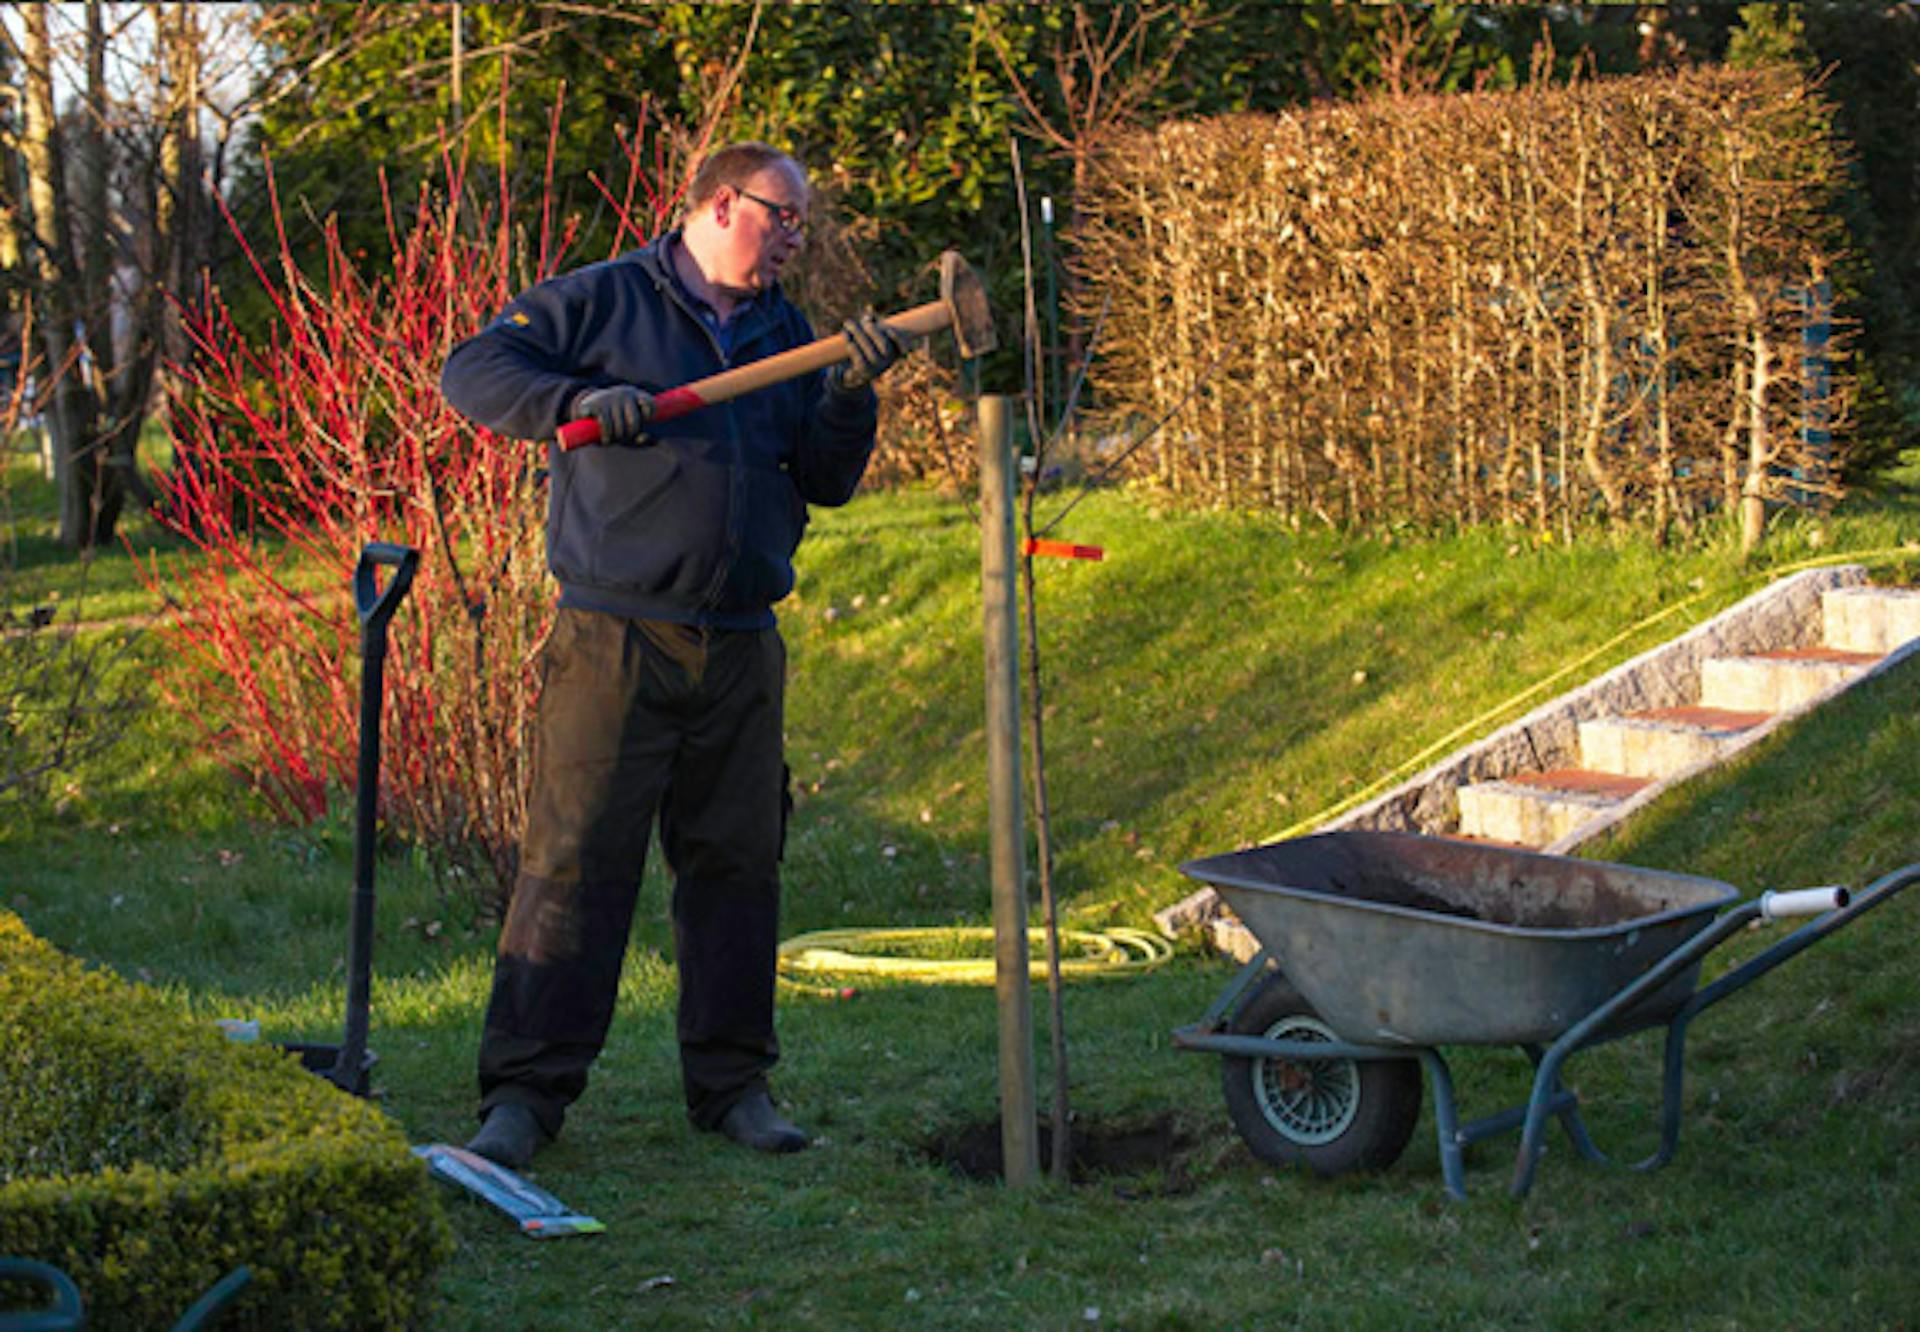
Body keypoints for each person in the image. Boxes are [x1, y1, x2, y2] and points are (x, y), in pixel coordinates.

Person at [439, 141, 904, 1167]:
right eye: (783, 216)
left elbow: (823, 482)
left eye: (803, 223)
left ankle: (734, 1087)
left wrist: (849, 395)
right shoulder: (606, 301)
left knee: (738, 867)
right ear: (719, 203)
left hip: (740, 644)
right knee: (573, 864)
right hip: (613, 637)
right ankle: (524, 1095)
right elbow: (471, 371)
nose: (796, 237)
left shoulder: (789, 333)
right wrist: (571, 405)